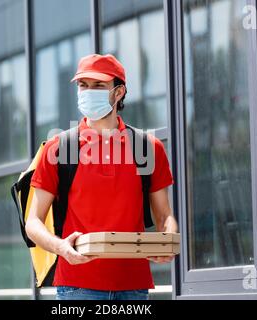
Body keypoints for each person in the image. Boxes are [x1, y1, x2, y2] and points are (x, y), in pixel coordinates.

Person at [25, 54, 178, 300]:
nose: (88, 92)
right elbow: (33, 222)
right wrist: (60, 247)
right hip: (77, 286)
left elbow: (164, 215)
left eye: (98, 85)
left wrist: (167, 240)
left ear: (119, 93)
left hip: (134, 287)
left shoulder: (148, 147)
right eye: (83, 85)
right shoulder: (59, 148)